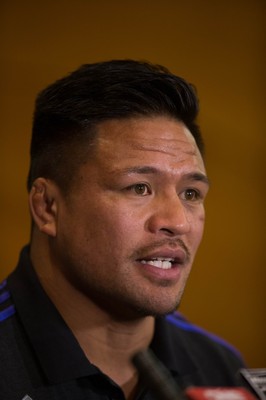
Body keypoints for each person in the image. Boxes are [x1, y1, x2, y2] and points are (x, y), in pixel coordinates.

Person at [0, 60, 246, 400]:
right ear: (47, 207)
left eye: (191, 194)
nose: (178, 222)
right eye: (139, 188)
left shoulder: (223, 368)